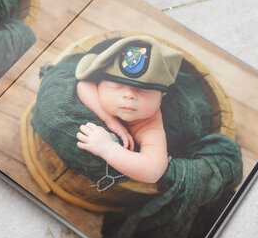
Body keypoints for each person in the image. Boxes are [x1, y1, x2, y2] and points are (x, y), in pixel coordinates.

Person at [75, 36, 183, 184]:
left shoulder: (150, 123)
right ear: (98, 84)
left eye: (144, 91)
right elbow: (83, 85)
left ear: (161, 98)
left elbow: (153, 170)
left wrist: (107, 148)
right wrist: (110, 120)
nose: (129, 95)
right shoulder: (93, 86)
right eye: (116, 87)